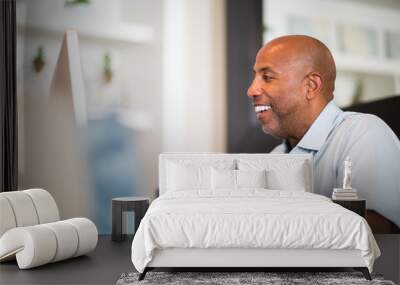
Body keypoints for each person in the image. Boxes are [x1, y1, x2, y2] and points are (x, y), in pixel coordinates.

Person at [247, 35, 400, 227]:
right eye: (255, 76)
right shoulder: (276, 156)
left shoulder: (363, 133)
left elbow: (375, 233)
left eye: (267, 77)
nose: (251, 90)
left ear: (311, 86)